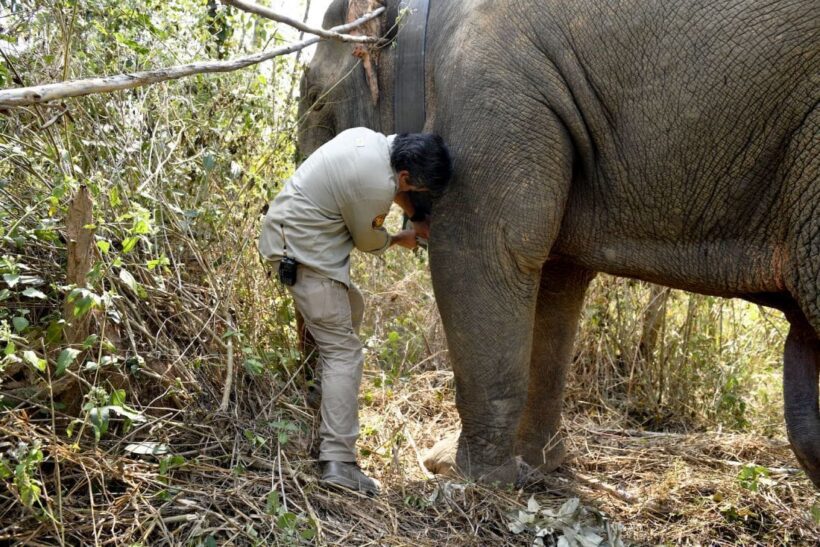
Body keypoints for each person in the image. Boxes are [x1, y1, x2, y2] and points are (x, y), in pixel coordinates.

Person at [258, 127, 453, 495]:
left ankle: (318, 398)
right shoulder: (375, 185)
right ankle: (338, 462)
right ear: (406, 177)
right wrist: (401, 237)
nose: (411, 198)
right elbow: (369, 242)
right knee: (344, 354)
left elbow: (380, 193)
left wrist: (412, 210)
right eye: (414, 191)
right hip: (302, 256)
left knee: (351, 307)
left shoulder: (369, 139)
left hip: (292, 241)